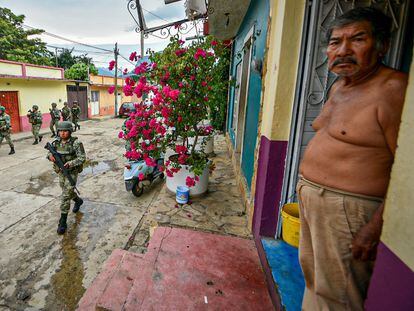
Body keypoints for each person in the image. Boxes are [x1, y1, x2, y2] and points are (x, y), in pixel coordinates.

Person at [297, 7, 408, 311]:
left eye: (357, 39)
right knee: (314, 280)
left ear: (382, 45)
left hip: (348, 210)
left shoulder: (393, 89)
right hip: (314, 201)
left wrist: (375, 227)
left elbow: (408, 169)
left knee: (341, 296)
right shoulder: (339, 87)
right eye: (335, 42)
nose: (343, 50)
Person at [47, 121, 86, 234]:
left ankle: (62, 221)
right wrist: (51, 157)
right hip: (60, 172)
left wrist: (71, 163)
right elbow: (48, 154)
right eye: (60, 131)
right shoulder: (56, 143)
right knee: (66, 191)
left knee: (65, 196)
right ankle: (78, 201)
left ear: (70, 131)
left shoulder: (76, 143)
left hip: (71, 172)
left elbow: (82, 158)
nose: (63, 133)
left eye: (65, 131)